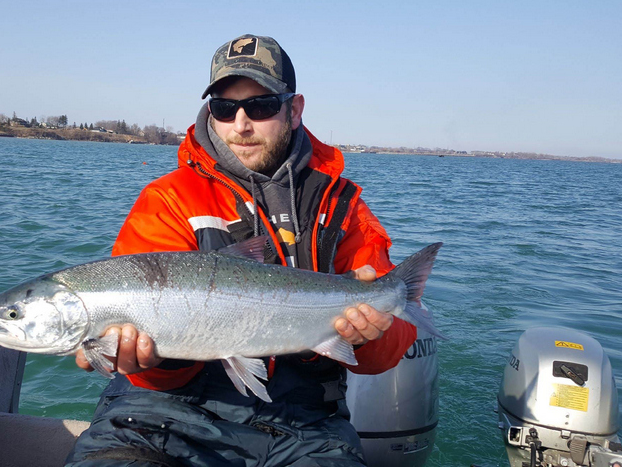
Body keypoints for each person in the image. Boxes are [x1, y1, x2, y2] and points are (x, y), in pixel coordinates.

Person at [66, 34, 417, 467]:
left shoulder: (343, 209)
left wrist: (370, 333)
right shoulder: (169, 200)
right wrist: (148, 361)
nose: (241, 124)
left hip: (308, 423)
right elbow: (151, 374)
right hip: (166, 413)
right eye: (225, 108)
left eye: (262, 105)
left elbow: (389, 351)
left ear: (295, 108)